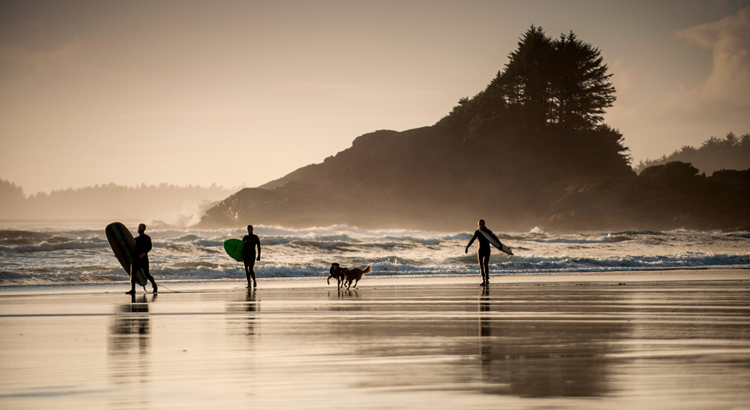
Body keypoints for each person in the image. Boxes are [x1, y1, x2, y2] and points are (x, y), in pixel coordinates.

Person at [465, 219, 502, 286]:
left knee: (485, 264)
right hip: (480, 250)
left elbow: (495, 238)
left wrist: (500, 245)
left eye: (481, 224)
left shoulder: (488, 231)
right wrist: (467, 247)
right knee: (481, 265)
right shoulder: (477, 232)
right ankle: (483, 279)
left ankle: (487, 279)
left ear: (484, 224)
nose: (480, 225)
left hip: (487, 250)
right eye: (479, 224)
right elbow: (472, 239)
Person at [127, 223, 158, 295]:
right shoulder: (135, 239)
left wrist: (144, 252)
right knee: (133, 274)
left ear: (144, 229)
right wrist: (119, 254)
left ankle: (154, 286)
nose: (139, 228)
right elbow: (129, 249)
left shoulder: (147, 238)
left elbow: (149, 247)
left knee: (147, 274)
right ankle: (133, 290)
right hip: (136, 259)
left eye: (141, 227)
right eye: (138, 227)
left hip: (143, 259)